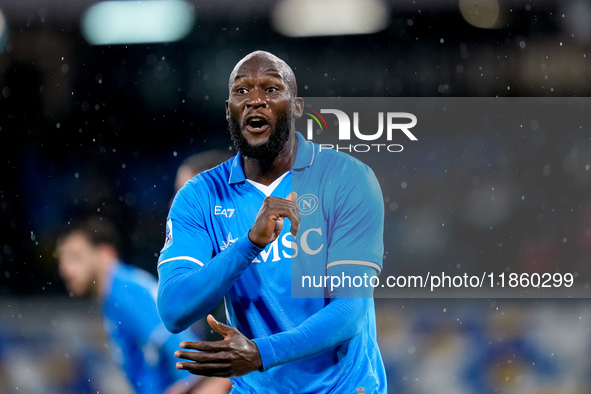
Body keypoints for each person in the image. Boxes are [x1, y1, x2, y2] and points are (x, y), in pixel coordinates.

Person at [157, 50, 386, 393]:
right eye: (241, 91)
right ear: (228, 110)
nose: (255, 100)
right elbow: (173, 309)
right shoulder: (199, 196)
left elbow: (349, 310)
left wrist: (261, 353)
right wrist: (249, 245)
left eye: (271, 89)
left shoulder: (347, 179)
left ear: (296, 107)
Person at [55, 216, 221, 394]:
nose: (64, 269)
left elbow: (182, 348)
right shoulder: (116, 295)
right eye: (61, 260)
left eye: (75, 257)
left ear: (105, 254)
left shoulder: (125, 291)